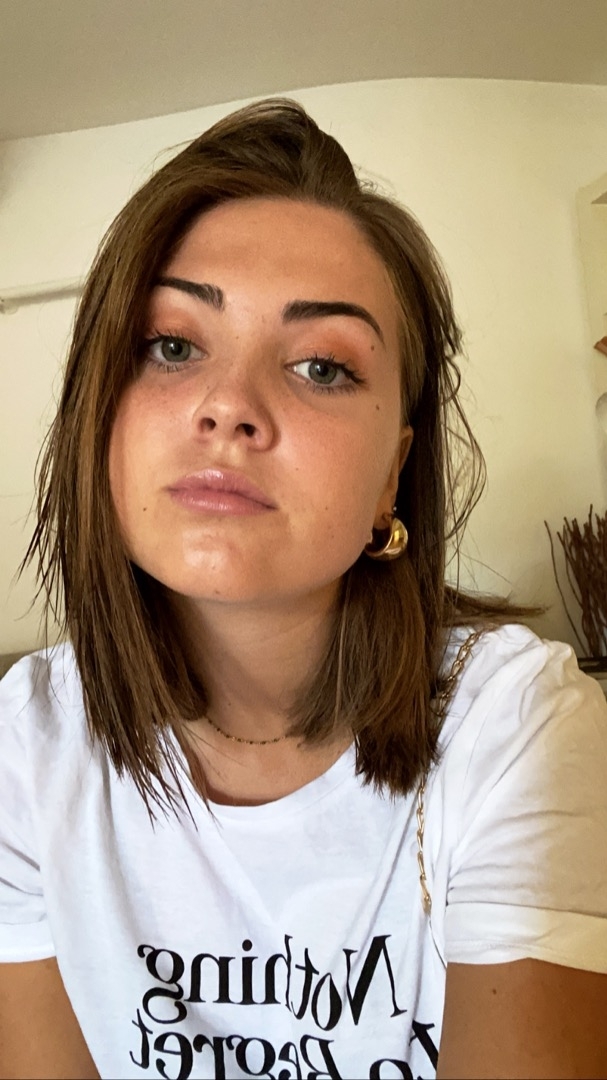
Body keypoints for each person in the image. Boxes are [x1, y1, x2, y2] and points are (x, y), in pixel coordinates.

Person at [0, 98, 605, 1080]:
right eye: (171, 345)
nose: (228, 406)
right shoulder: (25, 749)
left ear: (391, 475)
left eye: (321, 366)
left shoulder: (517, 723)